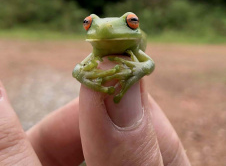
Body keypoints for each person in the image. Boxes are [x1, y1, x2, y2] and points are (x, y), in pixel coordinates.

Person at [0, 58, 191, 166]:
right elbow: (77, 71)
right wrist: (86, 76)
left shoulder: (134, 48)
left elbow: (148, 64)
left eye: (131, 21)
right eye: (88, 23)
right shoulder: (96, 52)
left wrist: (138, 70)